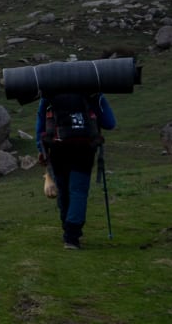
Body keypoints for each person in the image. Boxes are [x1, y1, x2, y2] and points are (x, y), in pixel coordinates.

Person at [37, 89, 116, 249]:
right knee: (78, 191)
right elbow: (110, 123)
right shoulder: (92, 92)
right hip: (84, 149)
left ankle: (68, 230)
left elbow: (40, 125)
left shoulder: (50, 93)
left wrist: (41, 149)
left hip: (58, 148)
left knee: (64, 191)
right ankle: (71, 237)